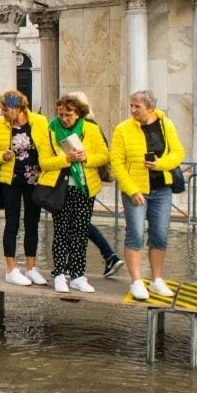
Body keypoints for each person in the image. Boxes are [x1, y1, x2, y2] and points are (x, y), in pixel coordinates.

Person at [111, 89, 186, 301]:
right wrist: (131, 189)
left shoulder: (165, 124)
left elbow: (178, 153)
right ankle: (136, 281)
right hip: (135, 189)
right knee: (135, 233)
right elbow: (116, 163)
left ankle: (157, 279)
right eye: (131, 106)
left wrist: (160, 164)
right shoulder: (122, 129)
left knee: (160, 234)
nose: (133, 110)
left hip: (162, 188)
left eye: (138, 106)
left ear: (150, 108)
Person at [35, 94, 110, 293]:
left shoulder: (91, 129)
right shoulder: (50, 130)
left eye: (68, 114)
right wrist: (66, 159)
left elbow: (104, 156)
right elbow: (43, 162)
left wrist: (86, 158)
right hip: (60, 188)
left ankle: (78, 275)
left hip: (84, 187)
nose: (64, 118)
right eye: (60, 114)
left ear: (78, 113)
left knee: (80, 232)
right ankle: (59, 273)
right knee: (61, 231)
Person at [0, 90, 50, 286]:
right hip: (11, 180)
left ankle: (31, 268)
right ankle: (11, 269)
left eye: (5, 109)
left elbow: (48, 147)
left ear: (18, 108)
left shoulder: (39, 122)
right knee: (11, 223)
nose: (2, 113)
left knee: (32, 223)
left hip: (35, 180)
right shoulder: (0, 125)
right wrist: (2, 156)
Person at [69, 91, 124, 277]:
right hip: (79, 181)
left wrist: (82, 158)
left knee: (79, 223)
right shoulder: (89, 125)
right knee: (77, 223)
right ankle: (105, 257)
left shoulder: (88, 127)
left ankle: (107, 256)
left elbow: (102, 154)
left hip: (82, 181)